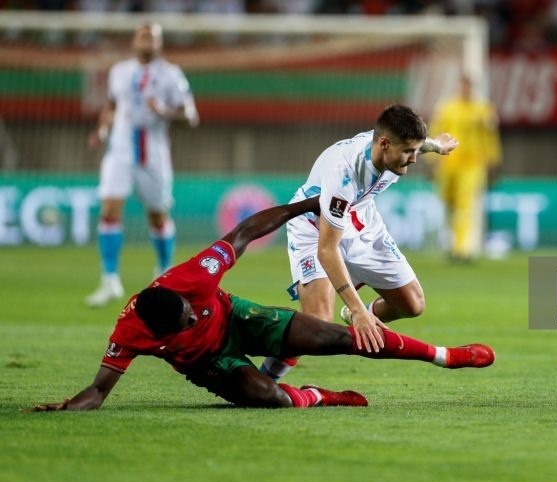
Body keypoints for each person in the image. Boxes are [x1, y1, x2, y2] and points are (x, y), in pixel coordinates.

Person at [31, 197, 495, 411]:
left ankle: (444, 356)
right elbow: (98, 392)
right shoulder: (130, 333)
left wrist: (300, 208)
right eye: (187, 320)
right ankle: (317, 395)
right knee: (269, 398)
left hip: (240, 317)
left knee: (335, 336)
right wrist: (67, 406)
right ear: (159, 336)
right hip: (210, 363)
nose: (194, 313)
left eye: (191, 308)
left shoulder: (192, 278)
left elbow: (245, 232)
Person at [259, 105, 458, 381]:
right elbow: (327, 249)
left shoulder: (391, 147)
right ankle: (265, 379)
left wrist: (437, 146)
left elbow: (417, 144)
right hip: (314, 228)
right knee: (317, 319)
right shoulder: (344, 175)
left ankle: (350, 303)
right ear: (385, 144)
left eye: (416, 150)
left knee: (413, 304)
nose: (414, 159)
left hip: (362, 222)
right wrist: (357, 308)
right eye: (409, 152)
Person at [85, 22, 199, 307]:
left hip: (154, 154)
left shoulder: (171, 75)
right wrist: (101, 129)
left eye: (152, 37)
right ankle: (110, 280)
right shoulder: (119, 72)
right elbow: (112, 105)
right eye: (142, 36)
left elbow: (191, 114)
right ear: (134, 40)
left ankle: (164, 274)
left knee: (157, 216)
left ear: (159, 43)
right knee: (109, 209)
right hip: (120, 150)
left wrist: (165, 111)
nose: (147, 41)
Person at [429, 74, 502, 262]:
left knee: (465, 204)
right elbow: (436, 132)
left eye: (468, 87)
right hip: (448, 163)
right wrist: (431, 159)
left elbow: (489, 137)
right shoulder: (447, 108)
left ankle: (461, 249)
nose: (465, 90)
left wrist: (493, 159)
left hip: (472, 164)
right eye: (462, 86)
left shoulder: (483, 110)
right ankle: (452, 242)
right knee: (449, 203)